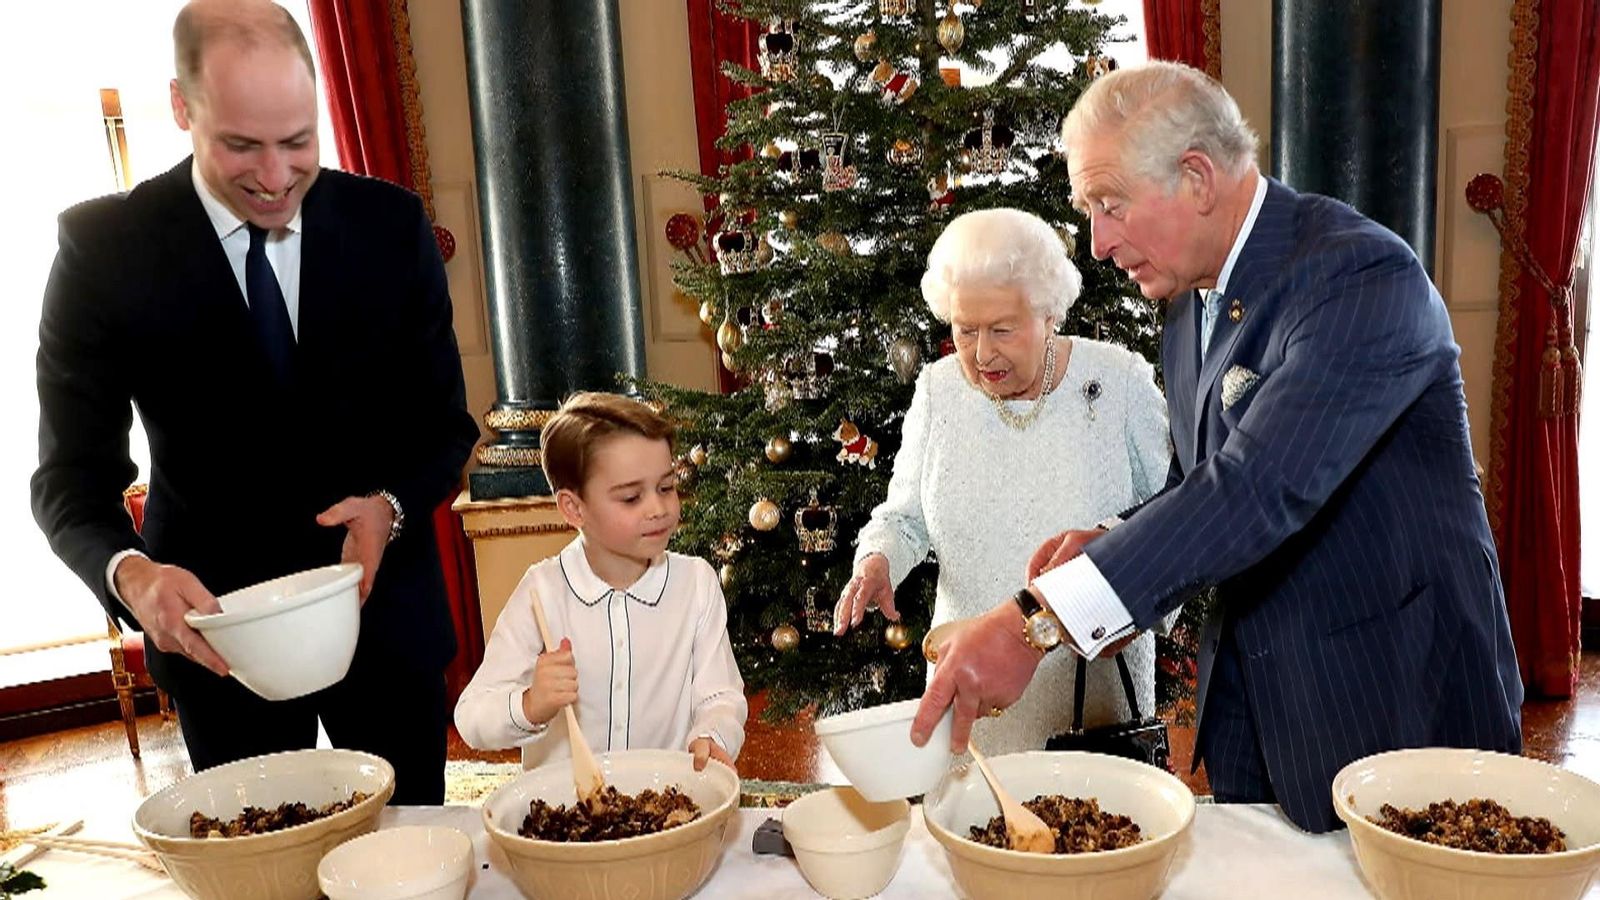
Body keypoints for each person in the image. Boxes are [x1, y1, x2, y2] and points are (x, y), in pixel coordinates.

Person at [910, 61, 1523, 833]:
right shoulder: (1188, 300)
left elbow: (1255, 488)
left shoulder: (1360, 277)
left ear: (1197, 178)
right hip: (1259, 707)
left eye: (1110, 205)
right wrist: (1115, 536)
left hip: (1392, 696)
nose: (1098, 242)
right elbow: (1198, 480)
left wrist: (1036, 621)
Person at [31, 0, 480, 804]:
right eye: (242, 146)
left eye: (298, 142)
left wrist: (390, 508)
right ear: (182, 107)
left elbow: (442, 426)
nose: (276, 178)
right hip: (217, 644)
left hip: (385, 629)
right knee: (259, 860)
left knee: (414, 856)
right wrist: (134, 578)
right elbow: (69, 481)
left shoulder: (390, 226)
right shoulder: (103, 252)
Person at [834, 208, 1171, 756]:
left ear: (1049, 313)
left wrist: (1127, 606)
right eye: (965, 330)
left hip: (1090, 705)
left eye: (1002, 330)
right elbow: (904, 518)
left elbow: (1174, 521)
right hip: (969, 695)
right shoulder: (939, 391)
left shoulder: (1119, 383)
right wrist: (878, 560)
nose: (982, 353)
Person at [454, 392, 748, 772]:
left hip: (666, 798)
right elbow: (471, 716)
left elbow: (721, 696)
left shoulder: (696, 584)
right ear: (574, 508)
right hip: (565, 806)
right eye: (631, 497)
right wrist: (530, 705)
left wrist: (712, 735)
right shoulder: (542, 592)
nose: (658, 508)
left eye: (666, 487)